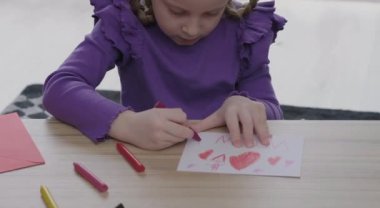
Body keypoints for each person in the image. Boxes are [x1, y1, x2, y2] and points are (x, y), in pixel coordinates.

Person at [43, 0, 286, 150]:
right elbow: (59, 88)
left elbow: (273, 112)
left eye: (212, 13)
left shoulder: (245, 31)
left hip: (222, 169)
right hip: (145, 164)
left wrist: (250, 106)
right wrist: (127, 124)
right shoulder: (124, 21)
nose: (191, 29)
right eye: (176, 11)